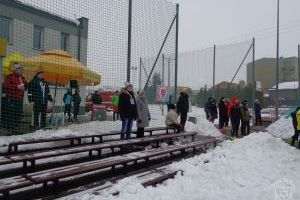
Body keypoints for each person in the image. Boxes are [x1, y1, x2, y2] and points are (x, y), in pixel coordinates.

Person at [3, 62, 27, 134]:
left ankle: (16, 129)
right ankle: (11, 131)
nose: (21, 70)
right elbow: (5, 86)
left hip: (19, 99)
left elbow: (25, 87)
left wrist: (24, 87)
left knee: (18, 114)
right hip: (11, 99)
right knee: (11, 114)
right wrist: (17, 87)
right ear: (15, 69)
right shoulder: (9, 76)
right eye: (19, 69)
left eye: (22, 69)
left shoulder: (22, 78)